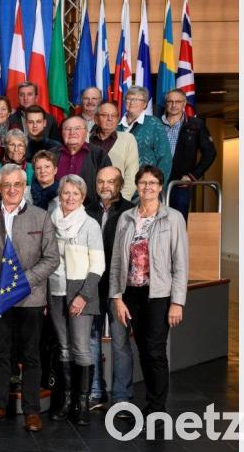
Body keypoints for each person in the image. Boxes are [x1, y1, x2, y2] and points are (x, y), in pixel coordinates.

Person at [0, 164, 59, 432]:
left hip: (31, 299)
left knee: (31, 356)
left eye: (17, 185)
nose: (11, 189)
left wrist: (23, 282)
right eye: (6, 185)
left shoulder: (41, 217)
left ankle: (31, 410)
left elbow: (52, 259)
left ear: (25, 187)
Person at [109, 165, 188, 418]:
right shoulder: (126, 218)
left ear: (160, 186)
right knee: (142, 348)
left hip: (159, 295)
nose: (148, 187)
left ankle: (157, 407)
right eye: (143, 183)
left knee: (155, 350)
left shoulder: (173, 217)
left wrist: (177, 302)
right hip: (131, 294)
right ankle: (152, 403)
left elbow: (181, 263)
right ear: (137, 185)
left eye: (153, 183)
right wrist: (116, 297)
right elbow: (117, 263)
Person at [46, 175, 105, 426]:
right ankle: (67, 400)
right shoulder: (51, 221)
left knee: (81, 348)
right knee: (64, 347)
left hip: (81, 292)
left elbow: (98, 265)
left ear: (82, 197)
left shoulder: (89, 224)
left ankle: (82, 403)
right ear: (60, 195)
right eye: (66, 193)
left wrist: (83, 296)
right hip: (56, 290)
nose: (69, 198)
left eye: (75, 194)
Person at [85, 166, 134, 413]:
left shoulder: (129, 212)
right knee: (92, 340)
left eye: (110, 182)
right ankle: (96, 392)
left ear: (120, 184)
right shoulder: (88, 210)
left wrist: (122, 292)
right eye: (100, 181)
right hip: (92, 286)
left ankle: (122, 398)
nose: (105, 186)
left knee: (120, 342)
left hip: (119, 289)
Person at [162, 89, 217, 221]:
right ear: (165, 103)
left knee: (178, 223)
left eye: (178, 101)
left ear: (184, 103)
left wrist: (192, 176)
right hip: (155, 182)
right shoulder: (155, 124)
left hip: (180, 184)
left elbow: (210, 153)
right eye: (170, 101)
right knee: (152, 223)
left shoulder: (196, 125)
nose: (173, 105)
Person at [51, 116, 112, 208]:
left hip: (89, 213)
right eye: (68, 129)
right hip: (55, 212)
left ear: (86, 131)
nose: (72, 132)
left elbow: (107, 187)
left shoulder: (99, 155)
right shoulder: (51, 154)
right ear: (62, 132)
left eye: (77, 128)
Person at [119, 86, 172, 181]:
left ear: (145, 104)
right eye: (128, 99)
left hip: (145, 186)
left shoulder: (154, 123)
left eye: (136, 100)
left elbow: (165, 158)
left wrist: (158, 185)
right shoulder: (116, 125)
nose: (131, 102)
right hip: (118, 184)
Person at [89, 101, 139, 200]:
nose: (110, 119)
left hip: (116, 200)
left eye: (114, 115)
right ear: (96, 119)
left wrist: (120, 202)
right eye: (105, 115)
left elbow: (132, 176)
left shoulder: (128, 139)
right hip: (86, 200)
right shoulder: (85, 139)